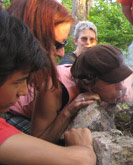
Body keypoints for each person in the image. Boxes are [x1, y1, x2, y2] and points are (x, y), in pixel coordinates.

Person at [0, 10, 96, 164]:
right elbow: (81, 161)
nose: (61, 52)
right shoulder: (56, 80)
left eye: (64, 44)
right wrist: (84, 146)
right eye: (57, 43)